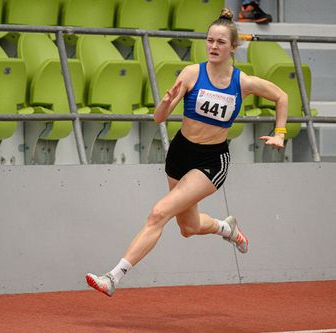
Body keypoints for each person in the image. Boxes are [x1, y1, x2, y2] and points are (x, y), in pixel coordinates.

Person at [85, 8, 288, 297]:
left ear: (233, 47)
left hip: (211, 161)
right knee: (189, 227)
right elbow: (158, 118)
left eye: (220, 42)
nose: (213, 47)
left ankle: (113, 278)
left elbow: (282, 96)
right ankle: (225, 228)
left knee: (158, 213)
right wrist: (166, 104)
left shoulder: (242, 83)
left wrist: (280, 133)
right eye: (209, 41)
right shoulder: (192, 73)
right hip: (180, 153)